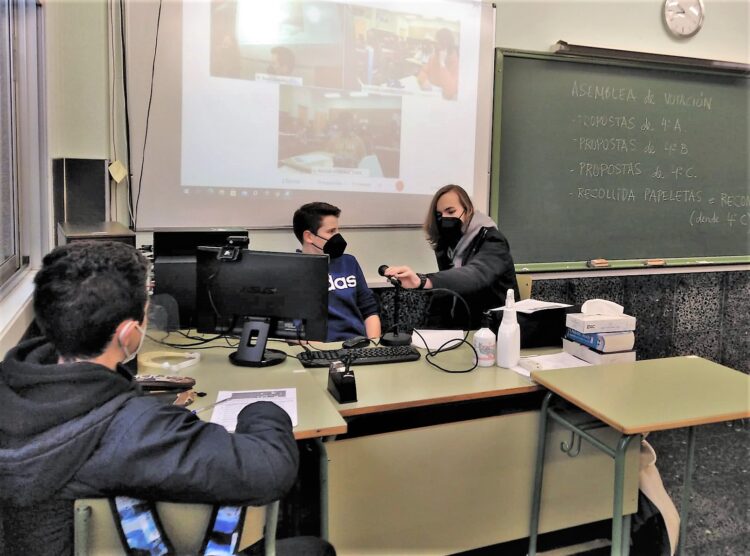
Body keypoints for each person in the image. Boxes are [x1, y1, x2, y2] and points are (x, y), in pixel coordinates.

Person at [0, 241, 332, 556]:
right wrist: (262, 408)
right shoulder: (134, 431)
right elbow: (270, 468)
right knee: (314, 549)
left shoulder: (12, 389)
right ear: (128, 334)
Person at [383, 184, 519, 330]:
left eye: (451, 211)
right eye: (440, 215)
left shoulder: (492, 240)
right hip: (463, 327)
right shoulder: (448, 245)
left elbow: (475, 275)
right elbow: (445, 294)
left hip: (496, 328)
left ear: (468, 210)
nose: (445, 218)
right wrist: (430, 334)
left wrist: (423, 281)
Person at [293, 202, 381, 341]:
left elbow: (369, 311)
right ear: (309, 236)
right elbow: (287, 327)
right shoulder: (290, 270)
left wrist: (374, 345)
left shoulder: (349, 262)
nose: (337, 236)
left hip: (356, 345)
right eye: (331, 231)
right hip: (315, 349)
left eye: (338, 230)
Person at [417, 28, 459, 100]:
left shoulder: (456, 62)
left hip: (445, 101)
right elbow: (423, 71)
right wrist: (424, 80)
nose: (436, 46)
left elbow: (450, 91)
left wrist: (442, 64)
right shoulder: (434, 57)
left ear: (448, 45)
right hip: (430, 96)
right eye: (436, 43)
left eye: (440, 44)